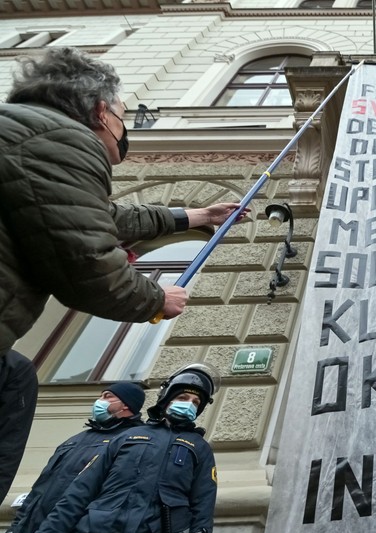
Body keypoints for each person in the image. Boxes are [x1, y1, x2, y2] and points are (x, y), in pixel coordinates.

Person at [0, 46, 246, 503]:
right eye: (122, 114)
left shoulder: (24, 134)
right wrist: (155, 300)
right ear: (100, 111)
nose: (123, 127)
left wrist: (192, 215)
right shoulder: (64, 140)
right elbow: (87, 264)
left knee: (15, 374)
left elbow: (99, 217)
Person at [6, 364, 219, 533]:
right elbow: (76, 497)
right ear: (167, 398)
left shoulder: (199, 448)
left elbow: (203, 512)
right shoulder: (129, 436)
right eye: (183, 397)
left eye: (195, 402)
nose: (189, 404)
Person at [0, 382, 147, 533]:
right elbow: (37, 493)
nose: (99, 401)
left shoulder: (131, 442)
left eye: (107, 396)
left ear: (126, 404)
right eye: (100, 396)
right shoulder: (76, 439)